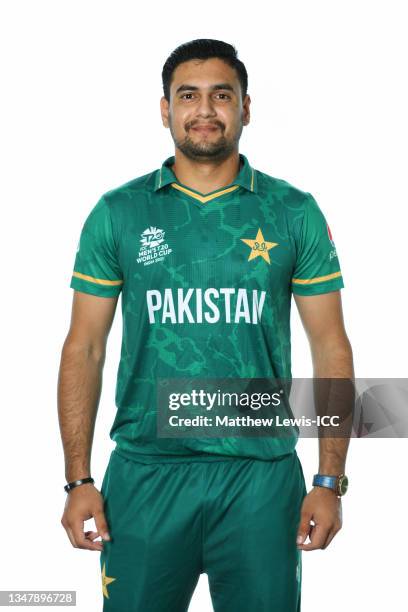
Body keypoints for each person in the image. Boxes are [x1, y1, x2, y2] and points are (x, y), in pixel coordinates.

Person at [58, 38, 354, 612]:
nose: (204, 110)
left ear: (246, 107)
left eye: (222, 95)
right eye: (187, 96)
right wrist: (77, 480)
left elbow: (331, 347)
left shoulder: (293, 211)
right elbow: (85, 348)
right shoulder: (119, 212)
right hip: (145, 475)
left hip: (260, 479)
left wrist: (328, 481)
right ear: (165, 109)